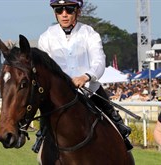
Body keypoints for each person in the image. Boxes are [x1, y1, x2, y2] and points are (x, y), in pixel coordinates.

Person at [32, 0, 132, 152]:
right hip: (59, 97)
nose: (64, 14)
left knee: (118, 128)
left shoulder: (89, 33)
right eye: (59, 10)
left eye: (69, 9)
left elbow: (99, 61)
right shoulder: (46, 38)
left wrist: (86, 76)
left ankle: (122, 140)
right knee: (44, 133)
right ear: (55, 12)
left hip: (89, 90)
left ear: (78, 11)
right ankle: (41, 140)